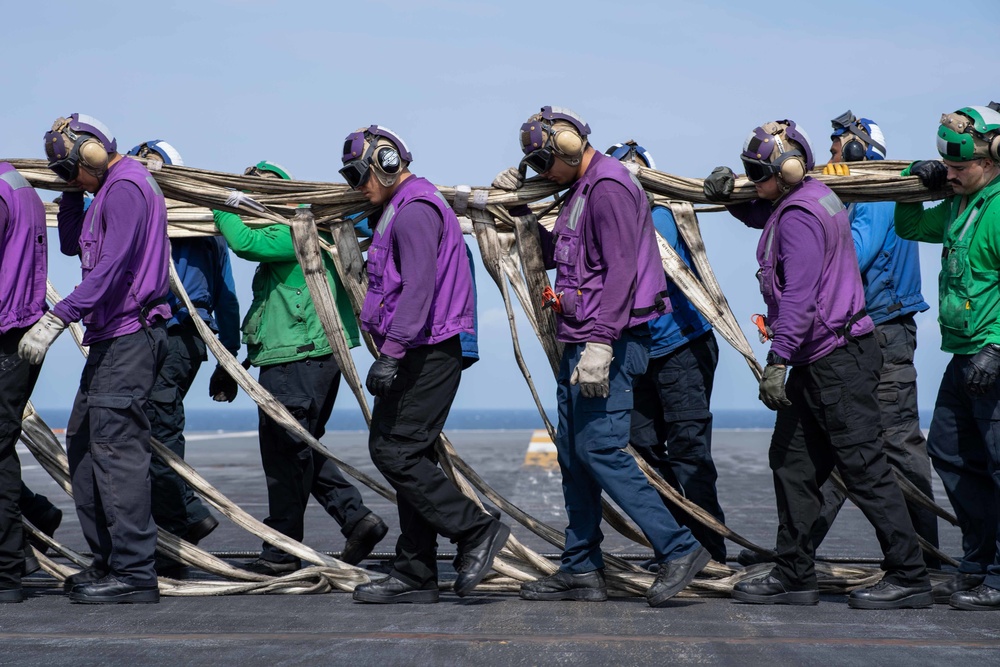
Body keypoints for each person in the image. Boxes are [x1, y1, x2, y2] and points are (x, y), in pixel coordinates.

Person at [704, 119, 932, 608]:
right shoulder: (807, 197)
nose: (751, 180)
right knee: (791, 464)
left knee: (864, 467)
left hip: (836, 361)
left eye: (755, 172)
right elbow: (764, 214)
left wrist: (777, 360)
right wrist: (731, 199)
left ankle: (910, 575)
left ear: (784, 171)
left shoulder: (802, 217)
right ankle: (794, 573)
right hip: (823, 358)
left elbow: (801, 299)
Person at [494, 107, 711, 607]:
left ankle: (678, 548)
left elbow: (620, 272)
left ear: (569, 146)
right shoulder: (581, 191)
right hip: (581, 337)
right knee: (573, 454)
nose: (543, 172)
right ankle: (581, 568)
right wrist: (520, 212)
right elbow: (559, 253)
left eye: (545, 161)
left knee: (601, 450)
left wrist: (602, 342)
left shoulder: (609, 187)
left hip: (605, 342)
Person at [341, 126, 509, 603]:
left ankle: (475, 531)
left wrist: (390, 354)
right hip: (417, 346)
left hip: (427, 349)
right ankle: (415, 571)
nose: (358, 186)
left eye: (360, 175)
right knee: (409, 453)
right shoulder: (395, 210)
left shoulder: (414, 210)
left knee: (394, 452)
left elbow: (418, 288)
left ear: (388, 163)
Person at [214, 160, 387, 574]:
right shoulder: (302, 232)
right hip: (302, 357)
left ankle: (282, 551)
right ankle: (356, 520)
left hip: (298, 359)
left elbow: (242, 242)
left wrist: (220, 203)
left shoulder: (296, 229)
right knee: (299, 448)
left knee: (284, 456)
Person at [31, 113, 172, 603]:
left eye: (74, 170)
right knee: (86, 448)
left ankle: (134, 574)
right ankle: (109, 563)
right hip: (109, 338)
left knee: (115, 453)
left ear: (91, 153)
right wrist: (72, 190)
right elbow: (73, 243)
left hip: (130, 335)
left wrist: (57, 317)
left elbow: (111, 268)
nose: (72, 179)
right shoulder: (104, 191)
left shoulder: (129, 187)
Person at [894, 105, 1000, 610]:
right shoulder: (962, 204)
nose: (952, 174)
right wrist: (917, 180)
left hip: (992, 356)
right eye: (947, 166)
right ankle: (978, 562)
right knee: (951, 453)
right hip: (963, 356)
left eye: (959, 166)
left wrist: (997, 347)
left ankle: (998, 574)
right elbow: (911, 226)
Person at [605, 141, 727, 564]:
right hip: (637, 354)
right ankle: (678, 546)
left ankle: (710, 549)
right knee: (643, 449)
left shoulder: (664, 215)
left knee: (690, 451)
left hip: (682, 347)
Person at [127, 140, 237, 563]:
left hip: (179, 334)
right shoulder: (152, 220)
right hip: (170, 338)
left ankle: (180, 528)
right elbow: (227, 299)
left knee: (157, 429)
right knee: (151, 429)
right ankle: (182, 522)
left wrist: (228, 359)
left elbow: (224, 297)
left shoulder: (195, 224)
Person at [0, 161, 51, 603]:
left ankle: (6, 573)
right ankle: (34, 520)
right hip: (19, 331)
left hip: (4, 335)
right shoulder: (18, 185)